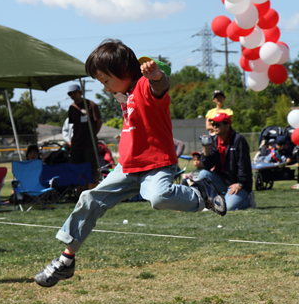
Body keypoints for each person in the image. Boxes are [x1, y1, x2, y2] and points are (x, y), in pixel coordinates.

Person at [34, 39, 226, 288]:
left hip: (155, 165)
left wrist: (157, 77)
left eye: (105, 80)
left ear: (125, 72)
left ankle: (201, 192)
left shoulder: (145, 87)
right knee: (89, 198)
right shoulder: (125, 95)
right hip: (126, 167)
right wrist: (119, 94)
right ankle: (66, 261)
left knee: (158, 198)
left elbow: (160, 86)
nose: (104, 87)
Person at [198, 113, 255, 211]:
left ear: (227, 125)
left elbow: (244, 165)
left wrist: (240, 184)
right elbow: (206, 166)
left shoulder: (238, 140)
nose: (214, 127)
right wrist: (206, 150)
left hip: (238, 183)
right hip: (222, 181)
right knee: (203, 174)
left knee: (227, 208)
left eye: (218, 124)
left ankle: (248, 198)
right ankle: (214, 200)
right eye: (213, 124)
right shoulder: (214, 140)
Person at [67, 84, 103, 183]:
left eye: (75, 93)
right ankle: (79, 190)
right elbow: (71, 125)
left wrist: (93, 134)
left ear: (80, 93)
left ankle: (93, 188)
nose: (73, 95)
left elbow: (99, 122)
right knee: (76, 167)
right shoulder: (72, 108)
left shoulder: (91, 105)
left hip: (89, 144)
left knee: (92, 168)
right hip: (76, 144)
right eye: (70, 94)